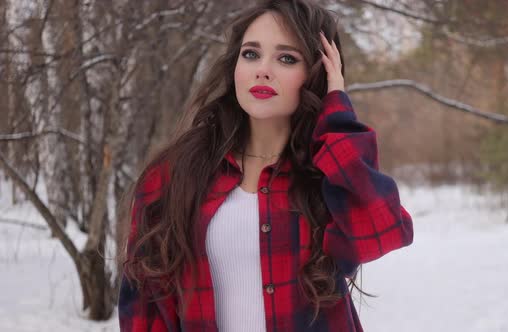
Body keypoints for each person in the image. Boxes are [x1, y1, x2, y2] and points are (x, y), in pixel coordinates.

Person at [117, 0, 414, 331]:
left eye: (287, 58)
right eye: (251, 54)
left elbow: (380, 232)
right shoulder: (174, 174)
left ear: (317, 73)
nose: (263, 69)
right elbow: (144, 300)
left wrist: (337, 115)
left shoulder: (326, 174)